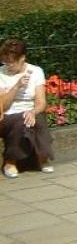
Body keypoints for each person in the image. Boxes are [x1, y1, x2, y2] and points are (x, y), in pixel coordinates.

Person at [0, 39, 54, 178]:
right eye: (5, 61)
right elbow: (3, 105)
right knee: (21, 120)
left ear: (22, 58)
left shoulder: (35, 71)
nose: (8, 65)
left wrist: (33, 111)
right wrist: (17, 86)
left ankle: (42, 159)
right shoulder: (1, 74)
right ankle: (10, 162)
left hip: (28, 111)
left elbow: (41, 102)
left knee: (39, 118)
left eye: (11, 62)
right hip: (6, 116)